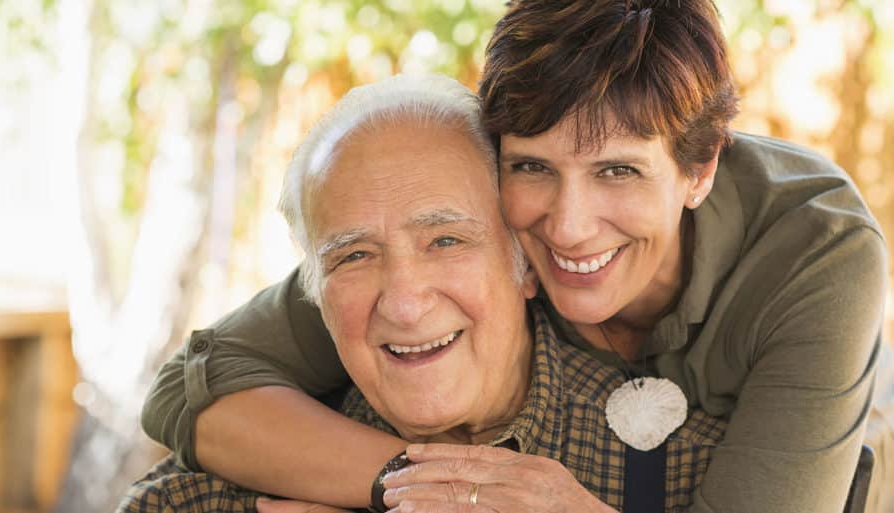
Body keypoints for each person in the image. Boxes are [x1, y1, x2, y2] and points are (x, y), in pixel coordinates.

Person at [142, 1, 888, 512]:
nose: (566, 227)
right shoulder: (448, 241)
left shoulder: (816, 254)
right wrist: (417, 486)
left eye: (617, 172)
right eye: (533, 166)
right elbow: (190, 390)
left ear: (699, 170)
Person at [120, 73, 727, 513]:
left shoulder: (690, 469)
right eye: (354, 256)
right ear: (318, 296)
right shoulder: (208, 494)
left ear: (527, 263)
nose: (404, 303)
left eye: (446, 241)